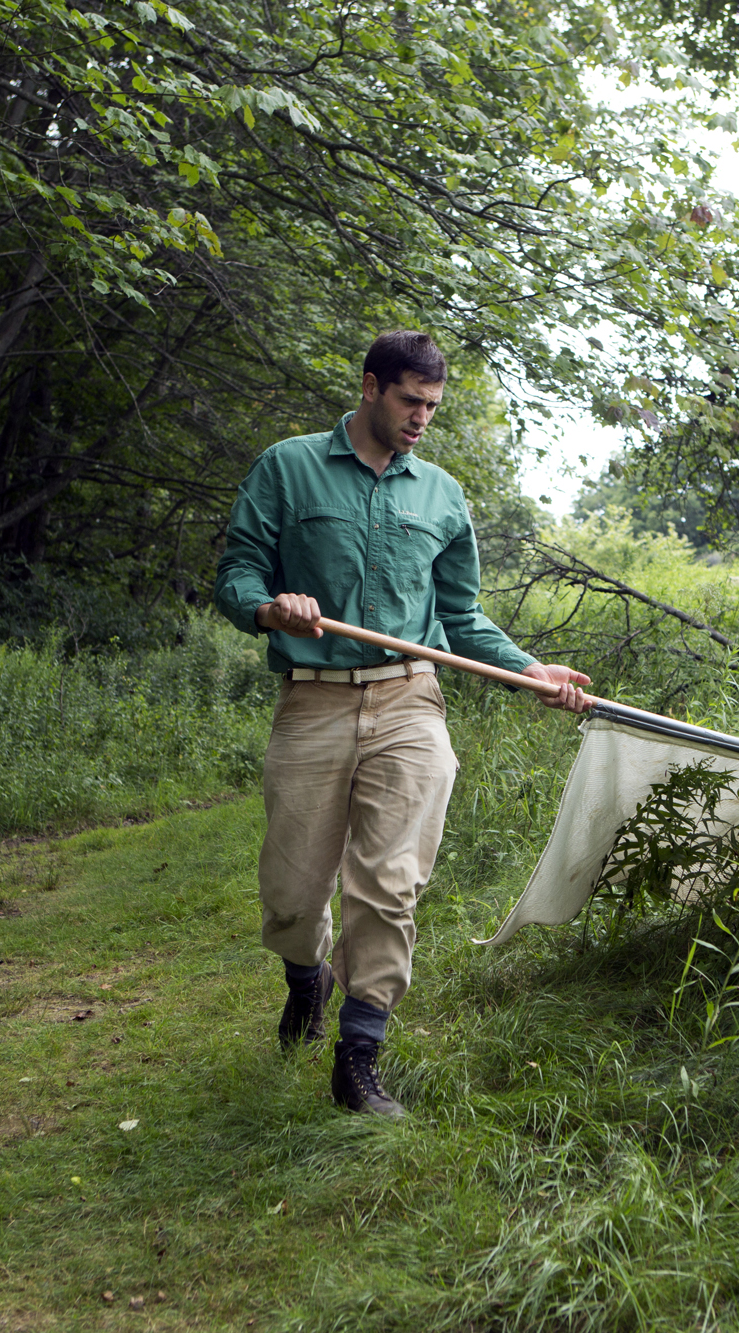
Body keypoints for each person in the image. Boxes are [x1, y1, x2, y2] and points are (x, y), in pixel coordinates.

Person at [213, 330, 590, 1117]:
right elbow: (237, 571)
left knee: (390, 882)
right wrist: (268, 604)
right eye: (411, 400)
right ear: (371, 387)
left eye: (433, 406)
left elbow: (459, 615)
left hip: (410, 701)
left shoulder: (443, 495)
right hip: (312, 698)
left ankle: (359, 1056)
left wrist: (530, 670)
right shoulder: (288, 467)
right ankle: (305, 976)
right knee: (291, 893)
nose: (422, 417)